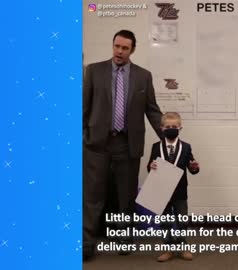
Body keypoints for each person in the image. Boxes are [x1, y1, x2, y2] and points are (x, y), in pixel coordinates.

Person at [82, 29, 163, 261]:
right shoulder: (94, 71)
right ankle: (87, 243)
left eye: (125, 48)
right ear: (113, 45)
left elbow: (152, 110)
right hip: (97, 144)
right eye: (117, 46)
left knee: (126, 195)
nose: (119, 51)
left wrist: (168, 136)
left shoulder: (143, 76)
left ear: (132, 50)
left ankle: (124, 236)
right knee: (92, 195)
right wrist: (80, 137)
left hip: (127, 145)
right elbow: (83, 107)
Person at [147, 112, 200, 262]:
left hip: (180, 191)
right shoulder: (156, 147)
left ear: (180, 128)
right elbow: (150, 166)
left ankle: (183, 247)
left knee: (182, 220)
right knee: (164, 221)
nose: (171, 129)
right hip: (162, 191)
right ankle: (168, 248)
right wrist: (151, 166)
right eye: (168, 126)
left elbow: (192, 168)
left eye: (174, 126)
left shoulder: (186, 147)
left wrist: (194, 167)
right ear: (162, 128)